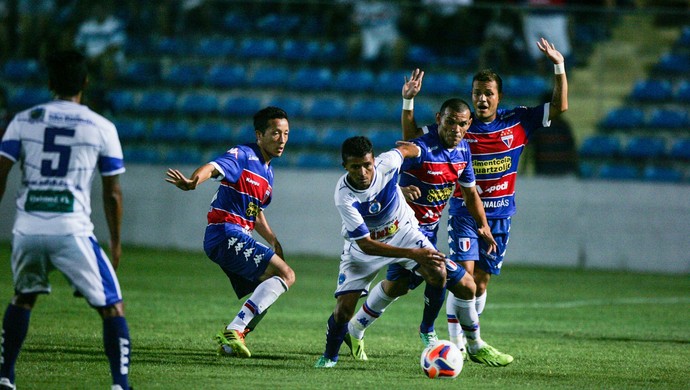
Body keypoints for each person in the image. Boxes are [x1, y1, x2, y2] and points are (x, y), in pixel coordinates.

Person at [404, 38, 568, 362]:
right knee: (463, 277)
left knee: (480, 283)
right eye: (477, 92)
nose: (481, 98)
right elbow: (412, 138)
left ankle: (469, 338)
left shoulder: (517, 121)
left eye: (488, 93)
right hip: (465, 213)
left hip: (501, 216)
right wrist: (408, 102)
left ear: (499, 97)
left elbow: (560, 106)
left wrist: (558, 66)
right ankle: (458, 348)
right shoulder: (458, 126)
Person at [344, 80, 512, 367]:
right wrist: (397, 188)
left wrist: (482, 224)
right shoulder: (423, 148)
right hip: (403, 232)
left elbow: (470, 194)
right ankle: (461, 341)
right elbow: (393, 162)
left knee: (397, 286)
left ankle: (355, 328)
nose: (455, 130)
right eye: (449, 123)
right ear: (439, 120)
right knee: (464, 284)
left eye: (461, 124)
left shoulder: (462, 153)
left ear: (468, 124)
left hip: (428, 231)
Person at [0, 49, 131, 390]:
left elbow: (0, 174)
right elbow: (112, 192)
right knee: (112, 308)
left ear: (49, 83)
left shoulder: (24, 120)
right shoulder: (101, 127)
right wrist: (116, 242)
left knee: (23, 297)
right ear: (85, 83)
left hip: (27, 229)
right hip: (71, 230)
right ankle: (120, 384)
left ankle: (5, 376)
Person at [165, 106, 295, 359]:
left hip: (236, 235)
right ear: (259, 135)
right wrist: (194, 181)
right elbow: (214, 167)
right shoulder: (244, 155)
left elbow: (254, 211)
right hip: (225, 232)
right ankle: (234, 330)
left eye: (286, 134)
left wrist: (273, 240)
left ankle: (231, 343)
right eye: (276, 133)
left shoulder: (268, 173)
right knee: (286, 274)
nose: (282, 140)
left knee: (268, 287)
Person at [314, 135, 449, 368]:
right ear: (345, 167)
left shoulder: (388, 162)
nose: (363, 172)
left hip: (402, 232)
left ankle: (427, 329)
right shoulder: (344, 196)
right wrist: (413, 255)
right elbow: (366, 244)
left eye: (367, 165)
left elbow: (407, 150)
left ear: (374, 161)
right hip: (362, 249)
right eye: (355, 167)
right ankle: (329, 357)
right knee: (344, 310)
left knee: (438, 271)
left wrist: (423, 152)